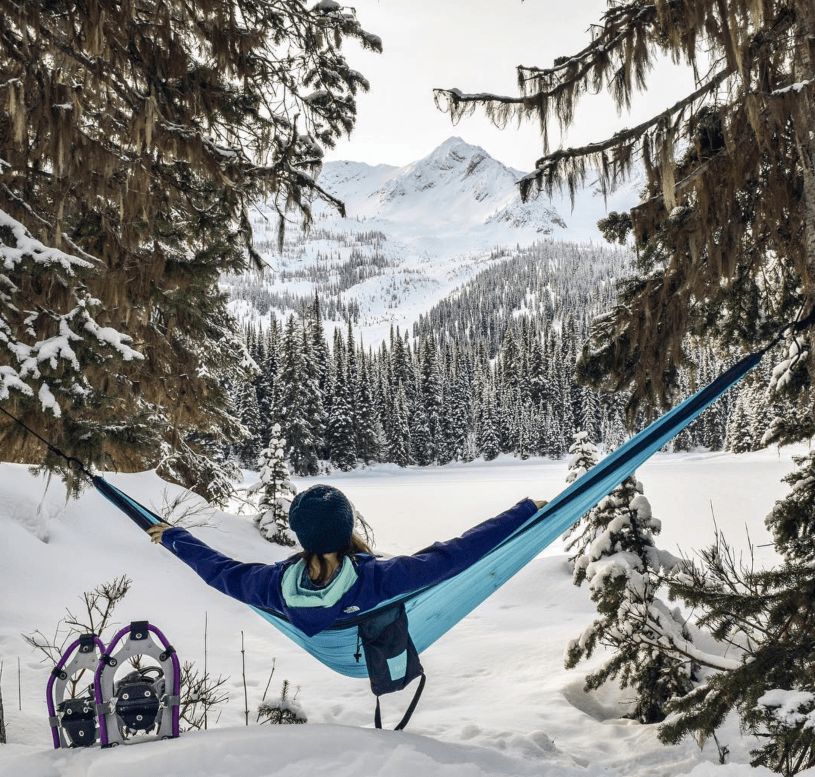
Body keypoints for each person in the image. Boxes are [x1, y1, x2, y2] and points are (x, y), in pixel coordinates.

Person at [146, 484, 546, 637]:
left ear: (301, 535)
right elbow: (455, 553)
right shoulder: (377, 579)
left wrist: (175, 538)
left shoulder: (272, 585)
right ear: (345, 528)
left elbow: (219, 570)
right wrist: (525, 512)